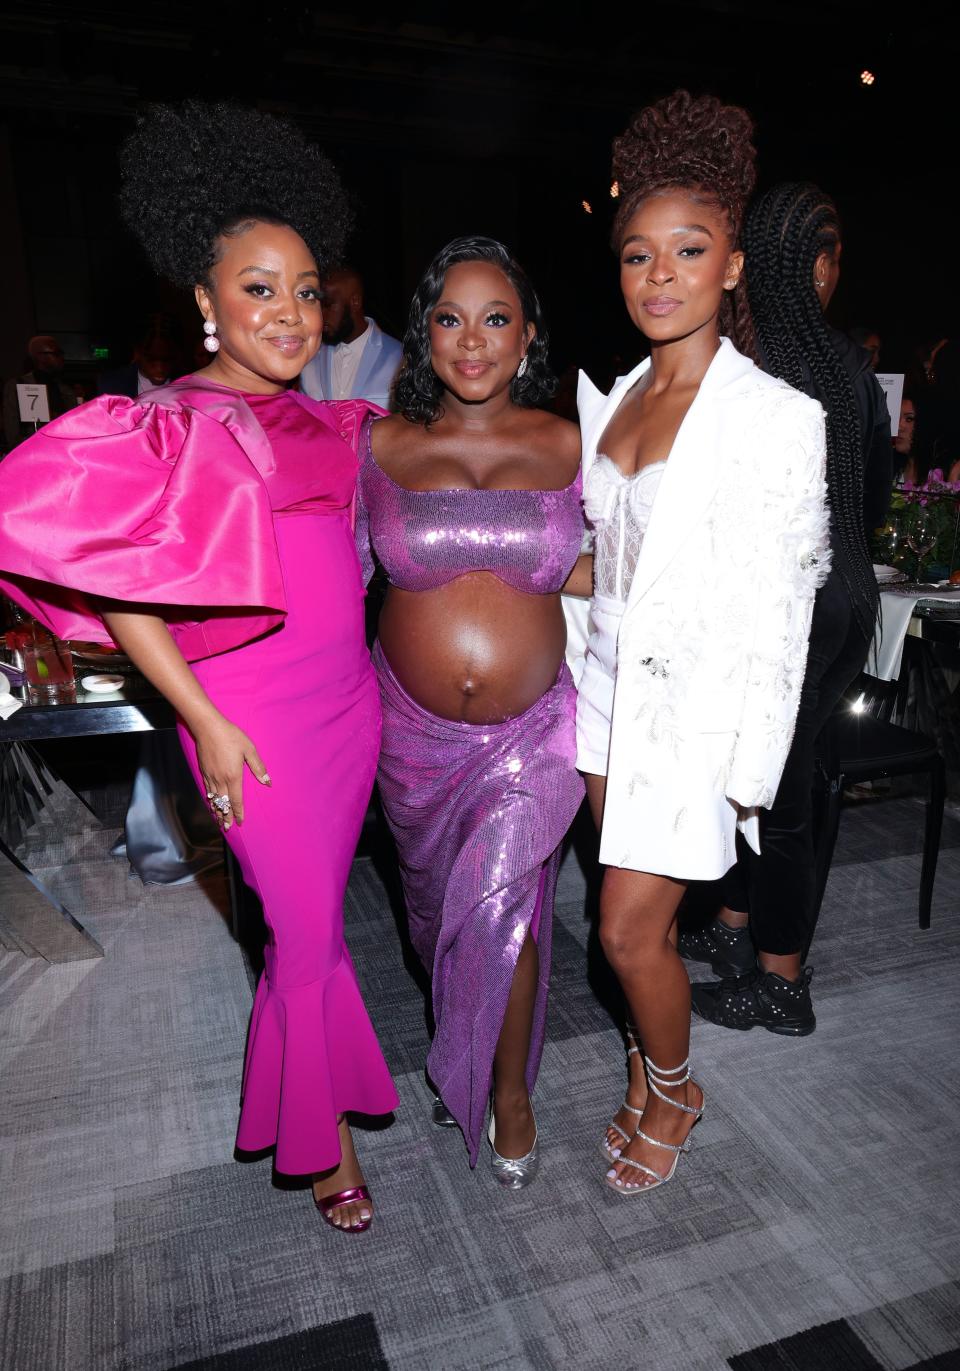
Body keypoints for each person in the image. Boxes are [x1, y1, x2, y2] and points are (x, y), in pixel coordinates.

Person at [0, 102, 397, 1234]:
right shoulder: (164, 424)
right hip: (246, 719)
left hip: (348, 706)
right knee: (306, 922)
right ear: (207, 304)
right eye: (260, 287)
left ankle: (337, 1092)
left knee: (313, 925)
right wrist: (203, 723)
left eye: (306, 288)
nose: (289, 311)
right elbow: (120, 588)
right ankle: (323, 1149)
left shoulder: (337, 424)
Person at [573, 91, 830, 1194]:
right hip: (599, 690)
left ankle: (677, 1089)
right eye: (639, 255)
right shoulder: (619, 394)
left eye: (689, 250)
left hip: (693, 706)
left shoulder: (776, 415)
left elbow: (785, 612)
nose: (661, 275)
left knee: (628, 930)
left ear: (732, 265)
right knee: (624, 926)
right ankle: (645, 1068)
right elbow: (600, 565)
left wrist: (747, 774)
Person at [357, 236, 586, 1184]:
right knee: (437, 921)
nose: (473, 339)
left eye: (496, 318)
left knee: (507, 909)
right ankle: (474, 1041)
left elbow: (619, 562)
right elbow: (322, 570)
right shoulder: (377, 443)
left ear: (527, 335)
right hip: (410, 737)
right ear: (426, 334)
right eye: (451, 318)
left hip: (534, 733)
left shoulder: (574, 442)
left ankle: (512, 1093)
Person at [685, 182, 893, 1034]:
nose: (835, 271)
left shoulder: (757, 369)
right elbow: (874, 498)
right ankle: (736, 927)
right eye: (829, 252)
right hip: (849, 600)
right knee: (773, 780)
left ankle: (779, 981)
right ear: (806, 261)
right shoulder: (847, 362)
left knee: (780, 792)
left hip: (796, 607)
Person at [299, 266, 403, 409]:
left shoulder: (399, 357)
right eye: (318, 306)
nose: (321, 315)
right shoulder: (308, 357)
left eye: (328, 305)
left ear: (355, 302)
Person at [2, 335, 78, 452]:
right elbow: (12, 430)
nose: (62, 358)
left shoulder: (65, 389)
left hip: (64, 453)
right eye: (57, 353)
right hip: (31, 454)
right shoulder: (18, 386)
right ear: (41, 357)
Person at [96, 327, 181, 398]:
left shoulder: (189, 387)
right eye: (150, 359)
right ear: (137, 353)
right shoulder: (111, 386)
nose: (160, 368)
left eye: (166, 359)